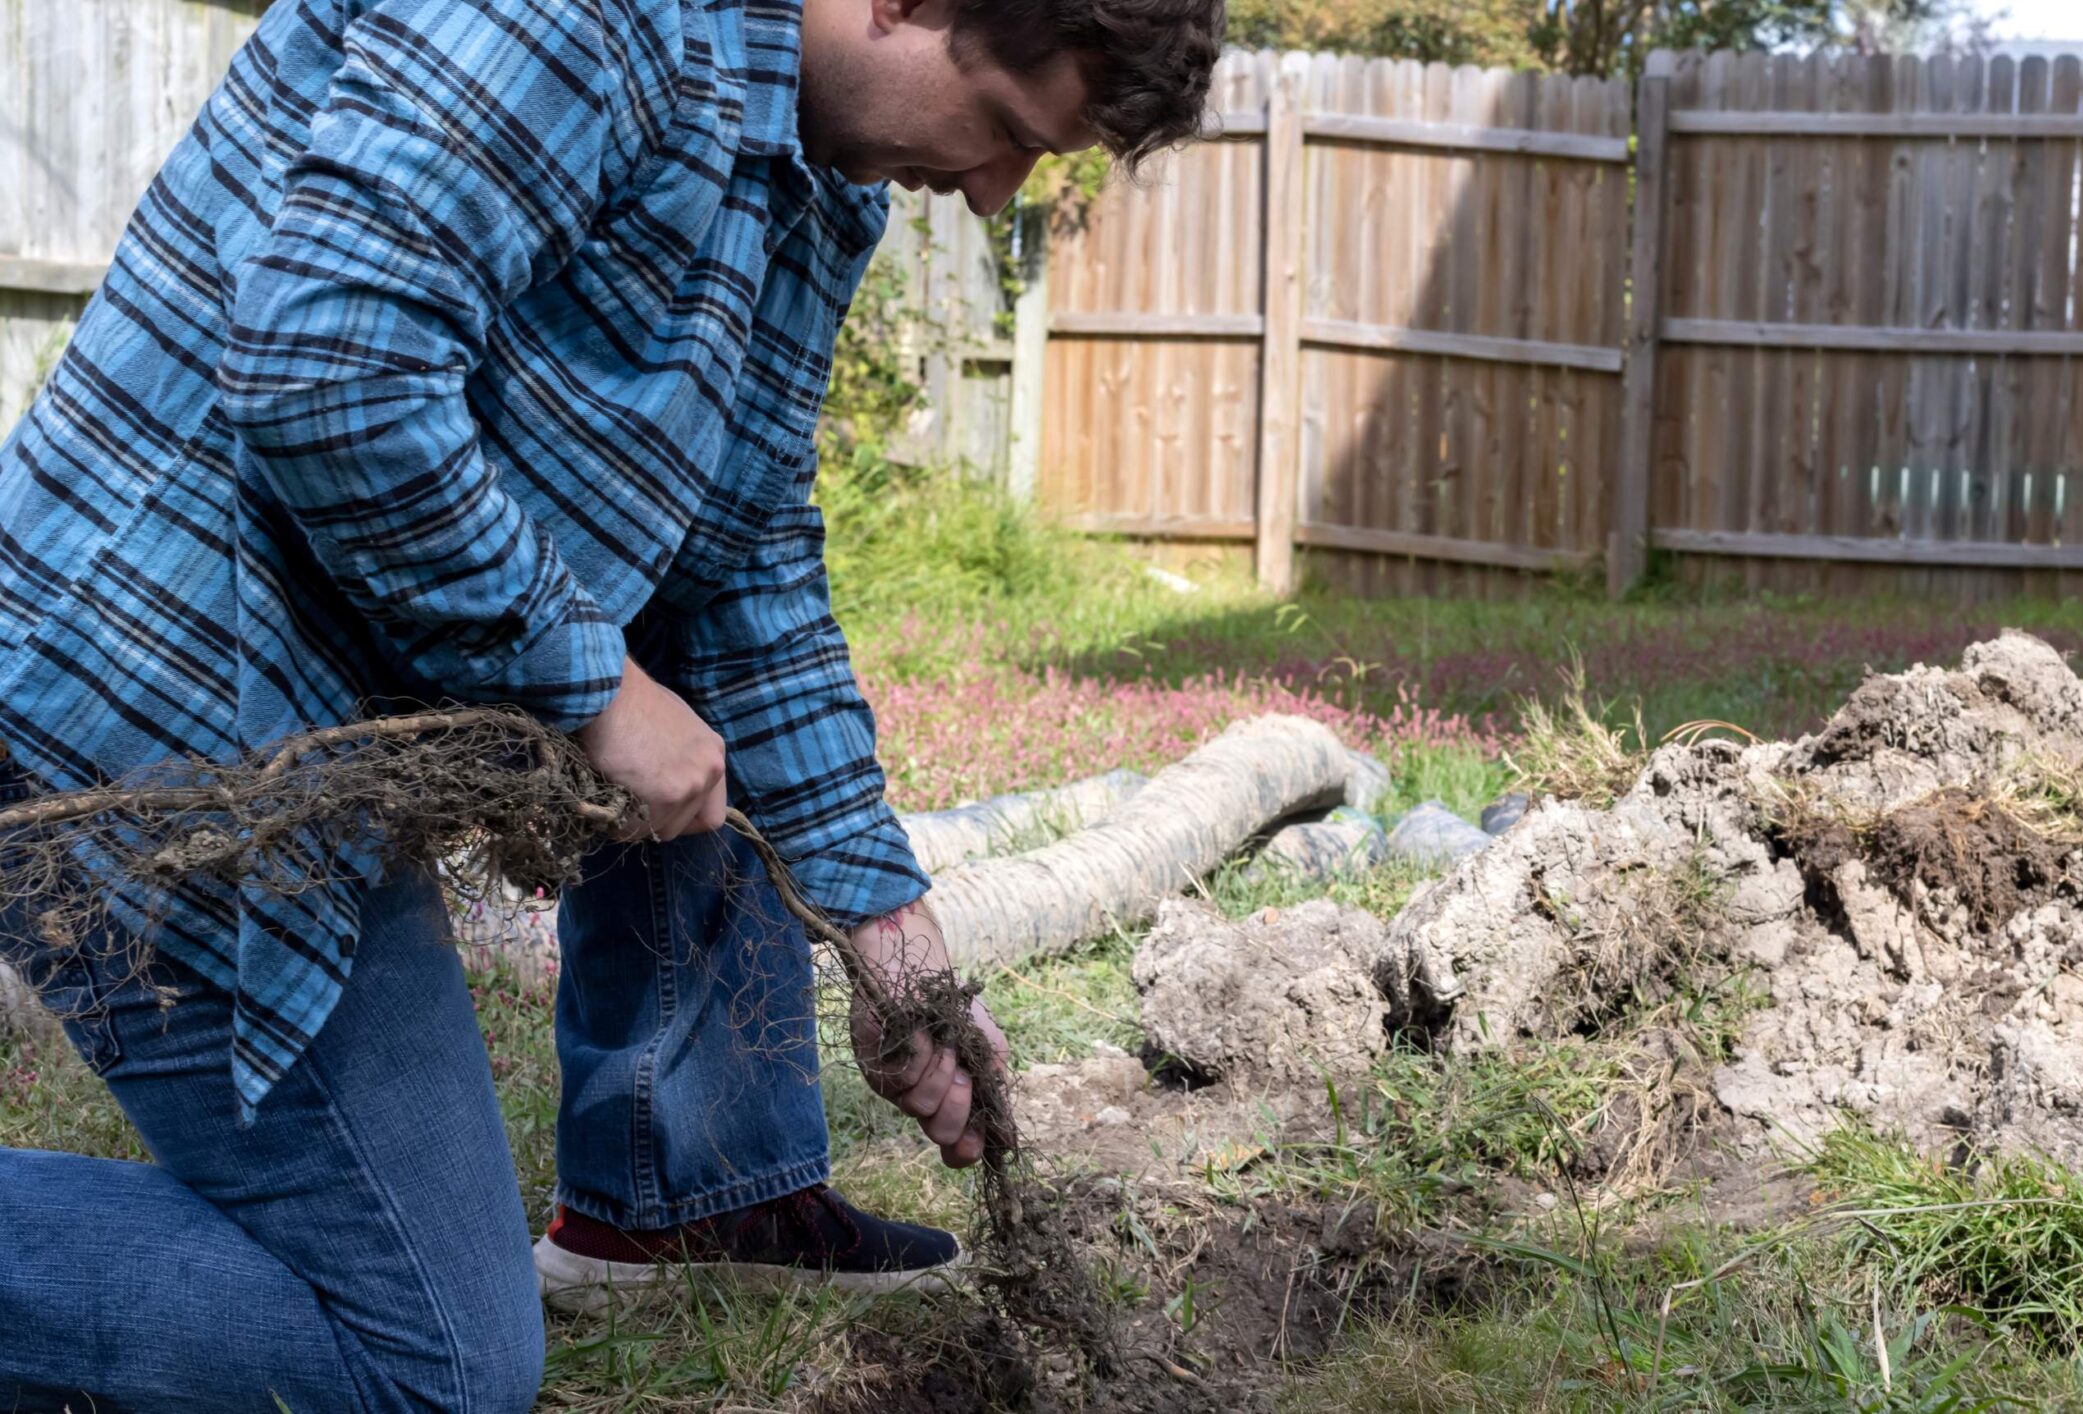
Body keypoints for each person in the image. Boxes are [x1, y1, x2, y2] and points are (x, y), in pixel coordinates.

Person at [0, 0, 1219, 1406]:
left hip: (318, 780)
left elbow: (744, 552)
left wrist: (887, 928)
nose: (997, 190)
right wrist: (590, 686)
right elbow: (327, 364)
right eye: (1006, 129)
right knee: (433, 1364)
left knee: (438, 1338)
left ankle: (687, 1194)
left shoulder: (818, 187)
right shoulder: (590, 23)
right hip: (151, 726)